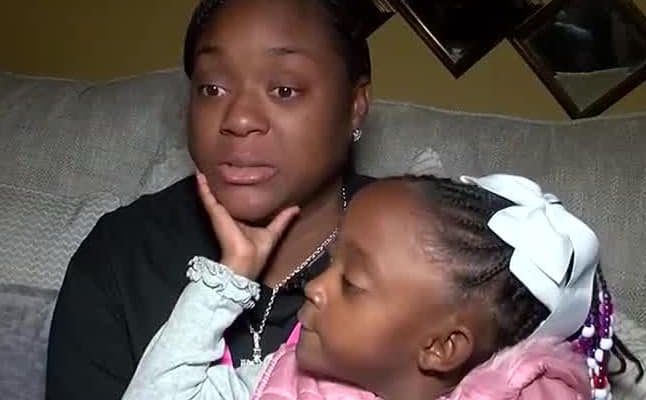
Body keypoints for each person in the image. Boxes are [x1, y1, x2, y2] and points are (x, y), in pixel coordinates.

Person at [46, 1, 373, 398]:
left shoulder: (422, 248)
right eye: (212, 88)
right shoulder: (121, 254)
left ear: (355, 106)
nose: (239, 119)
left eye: (284, 90)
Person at [122, 173, 643, 400]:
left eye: (351, 282)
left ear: (441, 346)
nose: (315, 287)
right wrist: (230, 276)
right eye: (331, 265)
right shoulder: (285, 379)